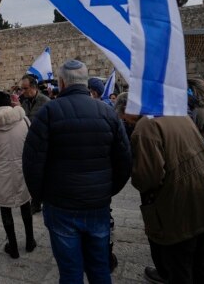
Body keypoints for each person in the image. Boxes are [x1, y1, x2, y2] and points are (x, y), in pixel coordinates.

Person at [115, 92, 204, 284]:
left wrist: (134, 172)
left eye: (124, 118)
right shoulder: (175, 112)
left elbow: (149, 178)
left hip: (179, 207)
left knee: (179, 267)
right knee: (201, 263)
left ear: (129, 109)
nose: (126, 123)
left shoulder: (145, 127)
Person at [23, 59, 131, 284]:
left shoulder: (48, 112)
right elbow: (124, 161)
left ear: (61, 82)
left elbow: (32, 164)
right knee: (99, 267)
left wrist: (41, 197)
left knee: (70, 272)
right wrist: (105, 191)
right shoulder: (107, 112)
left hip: (61, 206)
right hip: (96, 205)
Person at [0, 91, 36, 259]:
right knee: (25, 205)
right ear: (10, 103)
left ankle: (13, 247)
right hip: (21, 169)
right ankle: (30, 241)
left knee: (5, 209)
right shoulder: (23, 120)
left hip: (0, 172)